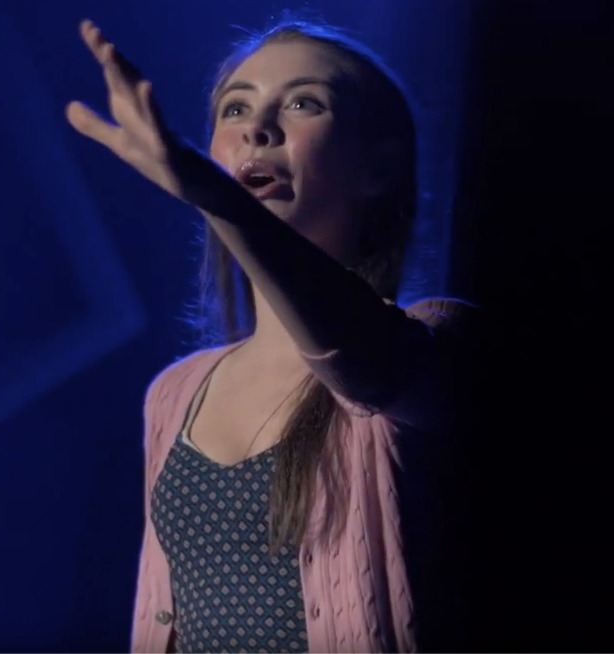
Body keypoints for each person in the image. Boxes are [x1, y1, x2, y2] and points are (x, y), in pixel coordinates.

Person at [67, 15, 469, 654]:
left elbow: (362, 367)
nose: (257, 129)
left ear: (379, 167)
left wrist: (212, 194)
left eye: (305, 103)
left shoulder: (439, 338)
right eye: (235, 109)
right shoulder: (176, 391)